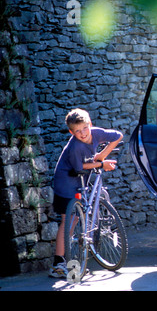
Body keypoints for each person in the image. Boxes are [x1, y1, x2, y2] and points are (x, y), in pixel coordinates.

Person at [48, 108, 123, 278]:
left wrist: (102, 155)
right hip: (65, 181)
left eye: (85, 128)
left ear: (90, 124)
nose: (82, 133)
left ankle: (70, 262)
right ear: (71, 132)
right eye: (77, 131)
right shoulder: (75, 146)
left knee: (76, 218)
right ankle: (57, 264)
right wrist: (101, 164)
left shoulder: (96, 133)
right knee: (68, 221)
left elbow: (118, 135)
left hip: (79, 179)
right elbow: (79, 167)